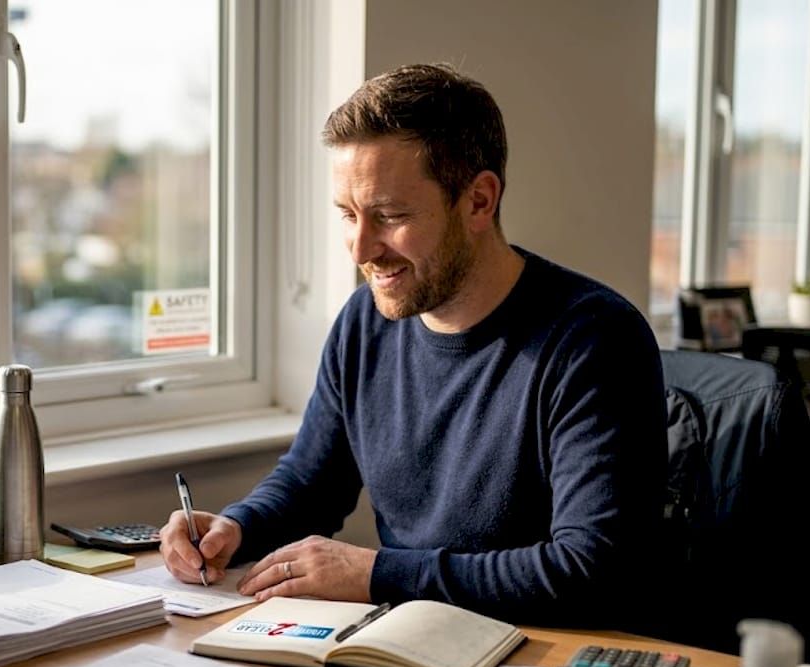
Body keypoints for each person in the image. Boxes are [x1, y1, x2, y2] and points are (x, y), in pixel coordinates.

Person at [159, 63, 667, 627]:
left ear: (478, 201)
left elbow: (592, 570)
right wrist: (238, 527)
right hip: (411, 637)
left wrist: (378, 574)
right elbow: (310, 484)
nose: (360, 249)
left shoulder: (594, 339)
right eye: (348, 215)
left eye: (390, 216)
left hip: (541, 649)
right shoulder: (363, 323)